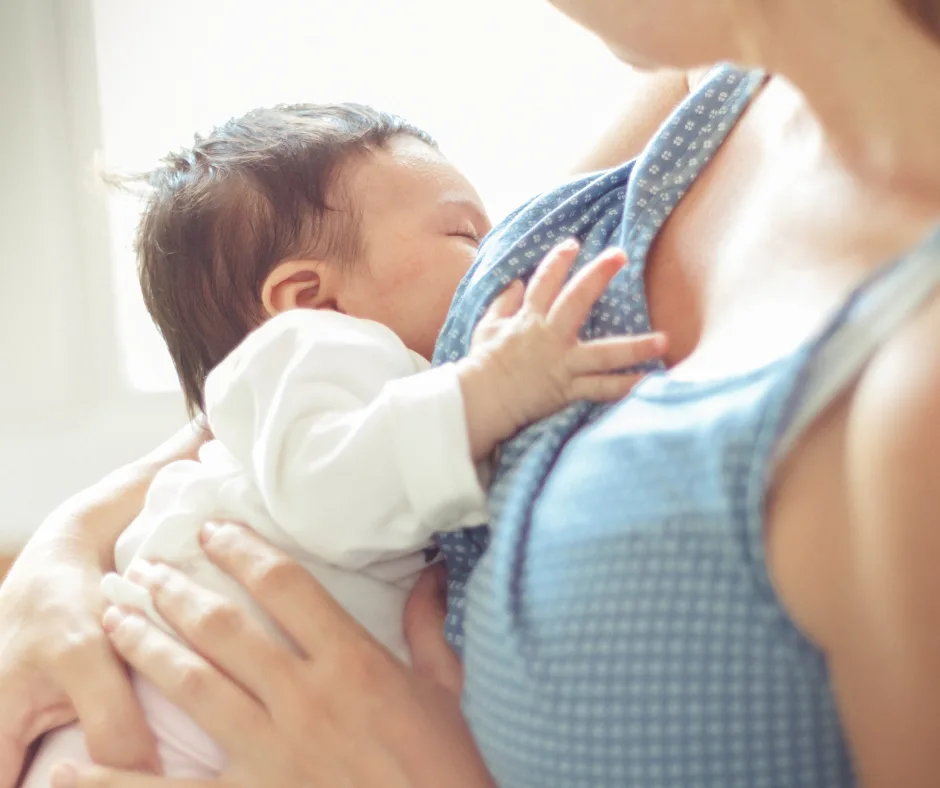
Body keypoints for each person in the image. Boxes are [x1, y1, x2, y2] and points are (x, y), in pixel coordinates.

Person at [3, 0, 940, 784]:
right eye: (467, 236)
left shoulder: (907, 378)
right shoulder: (713, 88)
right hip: (154, 710)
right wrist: (67, 544)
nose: (481, 253)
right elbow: (280, 426)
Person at [17, 104, 663, 786]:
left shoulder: (368, 390)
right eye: (465, 233)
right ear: (310, 297)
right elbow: (330, 492)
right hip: (146, 725)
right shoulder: (308, 351)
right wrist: (492, 391)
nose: (501, 258)